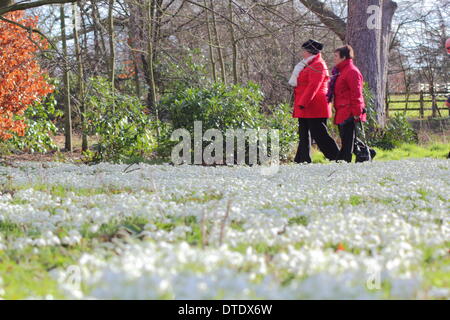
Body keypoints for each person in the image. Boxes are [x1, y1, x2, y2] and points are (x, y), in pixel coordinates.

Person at [289, 39, 339, 163]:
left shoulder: (318, 65)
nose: (303, 53)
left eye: (304, 51)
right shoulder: (309, 64)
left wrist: (302, 103)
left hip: (314, 106)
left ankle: (337, 158)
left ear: (310, 51)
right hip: (306, 106)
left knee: (320, 134)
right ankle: (302, 159)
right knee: (304, 134)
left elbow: (313, 86)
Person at [328, 45, 371, 163]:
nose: (334, 59)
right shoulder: (340, 71)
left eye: (336, 56)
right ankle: (366, 152)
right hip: (342, 110)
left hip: (349, 111)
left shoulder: (351, 71)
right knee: (347, 139)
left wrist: (357, 112)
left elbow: (357, 93)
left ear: (344, 57)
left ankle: (343, 161)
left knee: (347, 142)